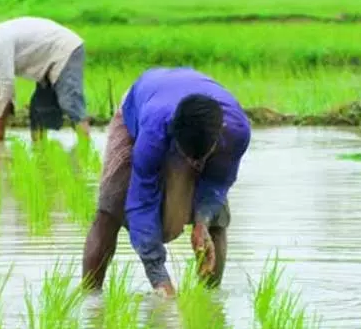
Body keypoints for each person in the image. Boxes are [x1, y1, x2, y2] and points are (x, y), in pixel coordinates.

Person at [81, 67, 251, 298]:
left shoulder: (237, 132)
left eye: (199, 159)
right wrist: (159, 277)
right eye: (186, 157)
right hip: (140, 109)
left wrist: (202, 219)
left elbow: (218, 183)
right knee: (110, 207)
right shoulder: (154, 130)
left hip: (192, 114)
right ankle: (90, 300)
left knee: (216, 222)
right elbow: (141, 202)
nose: (192, 165)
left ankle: (210, 301)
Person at [0, 16, 92, 142]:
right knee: (38, 112)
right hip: (47, 59)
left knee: (70, 102)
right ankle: (40, 154)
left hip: (64, 50)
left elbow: (7, 85)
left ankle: (86, 146)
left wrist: (0, 125)